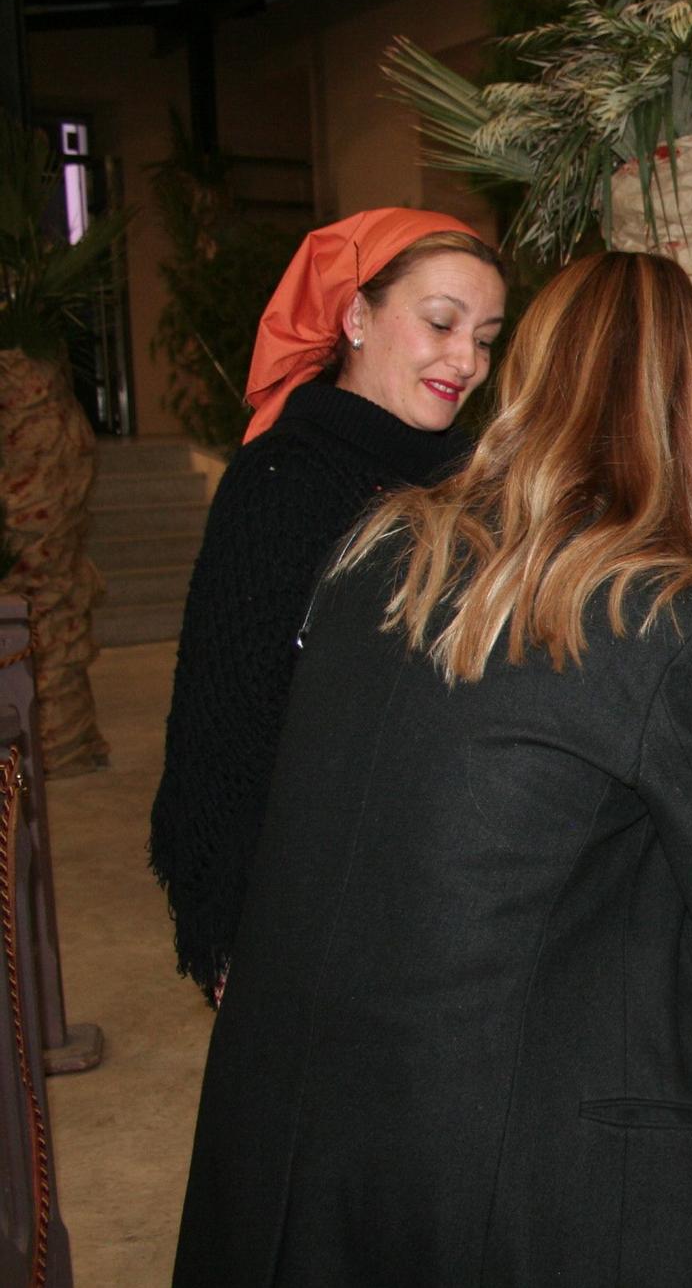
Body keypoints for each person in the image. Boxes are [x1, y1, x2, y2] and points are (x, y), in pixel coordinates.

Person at [172, 251, 692, 1285]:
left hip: (305, 1138)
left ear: (517, 378)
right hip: (501, 1176)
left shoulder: (374, 554)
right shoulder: (675, 627)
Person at [150, 208, 508, 1003]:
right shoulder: (286, 482)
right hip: (311, 903)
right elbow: (227, 720)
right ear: (355, 316)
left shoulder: (472, 485)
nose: (467, 360)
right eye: (442, 323)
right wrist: (230, 925)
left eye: (484, 337)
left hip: (450, 895)